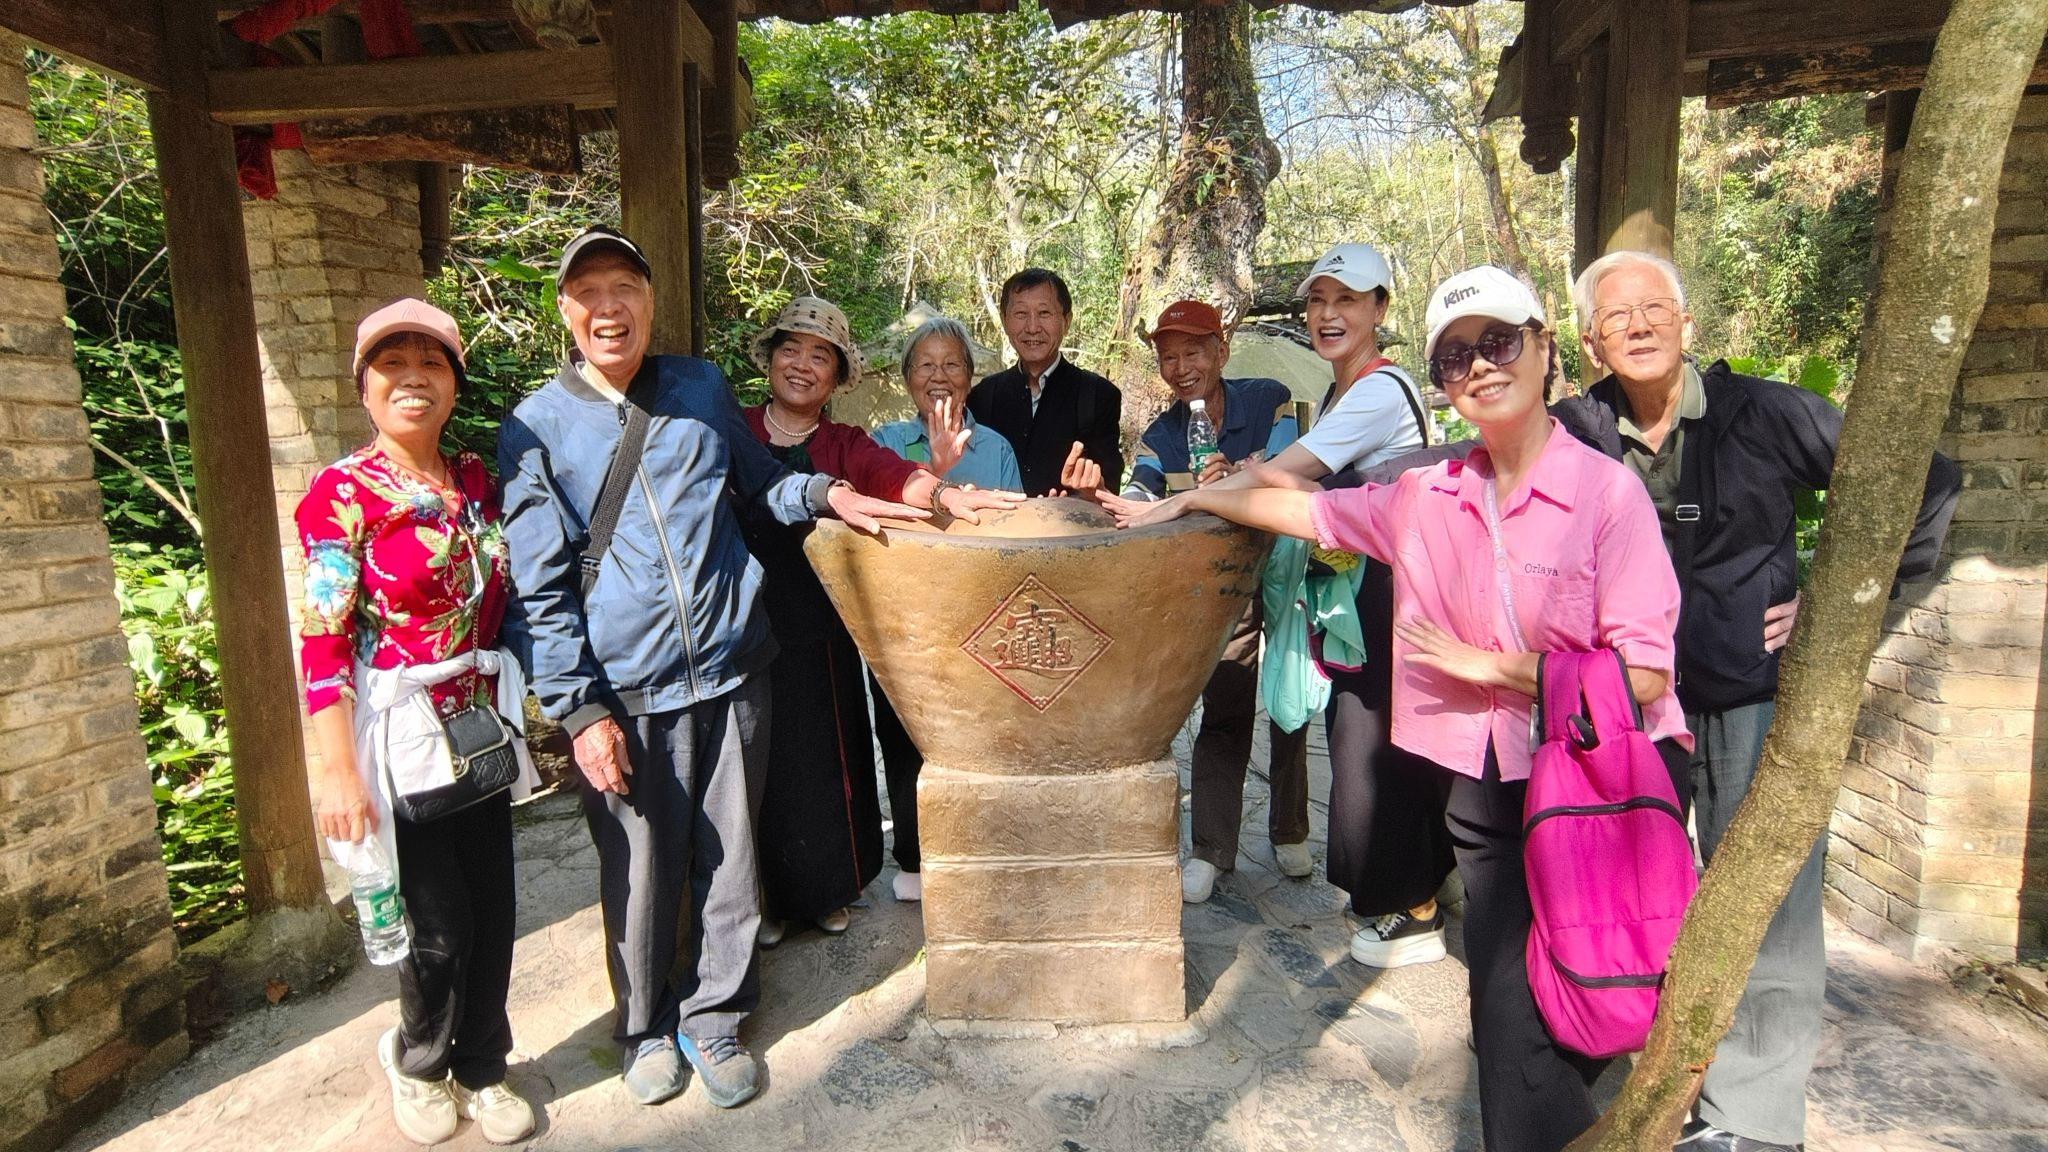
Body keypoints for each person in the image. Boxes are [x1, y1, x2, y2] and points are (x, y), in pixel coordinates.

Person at [1104, 266, 1692, 1152]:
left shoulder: (1606, 494)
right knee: (1511, 1010)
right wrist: (1190, 498)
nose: (1480, 367)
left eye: (1499, 343)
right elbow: (1306, 511)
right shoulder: (1428, 493)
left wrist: (1496, 668)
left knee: (1590, 993)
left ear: (1545, 352)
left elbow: (1644, 672)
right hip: (1484, 782)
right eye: (1456, 356)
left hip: (1594, 780)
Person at [497, 228, 922, 1111]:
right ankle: (646, 1028)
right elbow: (539, 588)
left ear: (649, 302)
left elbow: (760, 479)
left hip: (732, 667)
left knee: (730, 862)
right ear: (566, 310)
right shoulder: (536, 427)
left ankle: (718, 1015)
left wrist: (827, 492)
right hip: (627, 690)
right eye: (589, 293)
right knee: (640, 873)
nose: (609, 308)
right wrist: (579, 713)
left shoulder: (697, 386)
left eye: (625, 288)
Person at [1556, 251, 1959, 1152]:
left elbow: (1919, 477)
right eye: (1617, 317)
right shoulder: (1575, 433)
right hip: (1629, 712)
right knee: (1629, 896)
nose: (1639, 326)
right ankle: (1636, 1076)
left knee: (1769, 906)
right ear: (1590, 342)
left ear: (1687, 323)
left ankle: (1755, 1121)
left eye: (1655, 308)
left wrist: (1841, 598)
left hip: (1750, 699)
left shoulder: (1765, 412)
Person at [298, 299, 537, 1146]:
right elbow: (322, 640)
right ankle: (421, 1061)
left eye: (431, 362)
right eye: (391, 363)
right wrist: (337, 773)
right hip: (399, 736)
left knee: (493, 908)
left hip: (476, 723)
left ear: (454, 383)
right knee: (436, 924)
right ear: (363, 386)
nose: (413, 377)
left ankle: (483, 1066)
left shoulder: (474, 481)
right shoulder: (341, 494)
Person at [1176, 243, 1445, 967]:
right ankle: (1417, 886)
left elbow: (1292, 471)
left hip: (1390, 589)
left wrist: (1183, 502)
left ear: (1379, 309)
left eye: (1346, 300)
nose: (1327, 314)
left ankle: (1411, 908)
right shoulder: (1339, 392)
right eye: (1317, 301)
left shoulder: (1380, 391)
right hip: (1352, 590)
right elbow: (1295, 484)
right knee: (1364, 736)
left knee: (1376, 746)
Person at [740, 298, 1018, 938]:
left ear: (838, 377)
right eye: (791, 349)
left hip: (828, 624)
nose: (803, 365)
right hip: (746, 620)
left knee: (825, 754)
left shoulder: (846, 443)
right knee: (756, 763)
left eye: (821, 356)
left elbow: (891, 477)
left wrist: (939, 485)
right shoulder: (737, 428)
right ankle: (764, 899)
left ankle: (828, 890)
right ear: (771, 360)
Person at [1117, 298, 1314, 903]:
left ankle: (1290, 829)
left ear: (1222, 352)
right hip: (1223, 583)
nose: (1181, 368)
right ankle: (1211, 847)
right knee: (1224, 702)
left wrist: (1240, 477)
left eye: (1194, 352)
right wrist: (1117, 500)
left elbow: (1291, 463)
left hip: (1287, 570)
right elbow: (1142, 487)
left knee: (1292, 698)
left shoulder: (1268, 399)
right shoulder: (1162, 435)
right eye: (1168, 357)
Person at [869, 314, 1024, 901]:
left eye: (951, 364)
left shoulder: (996, 447)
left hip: (982, 621)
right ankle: (913, 856)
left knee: (984, 739)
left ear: (970, 375)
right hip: (904, 621)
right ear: (907, 377)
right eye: (925, 365)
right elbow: (878, 522)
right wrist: (934, 472)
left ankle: (985, 850)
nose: (939, 376)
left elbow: (1016, 536)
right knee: (903, 734)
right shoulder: (884, 443)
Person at [967, 267, 1123, 496]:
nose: (1032, 327)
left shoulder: (1097, 396)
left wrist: (1088, 495)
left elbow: (1109, 491)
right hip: (997, 519)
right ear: (1005, 321)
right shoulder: (983, 396)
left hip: (1071, 519)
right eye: (1021, 314)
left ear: (1066, 321)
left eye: (1044, 313)